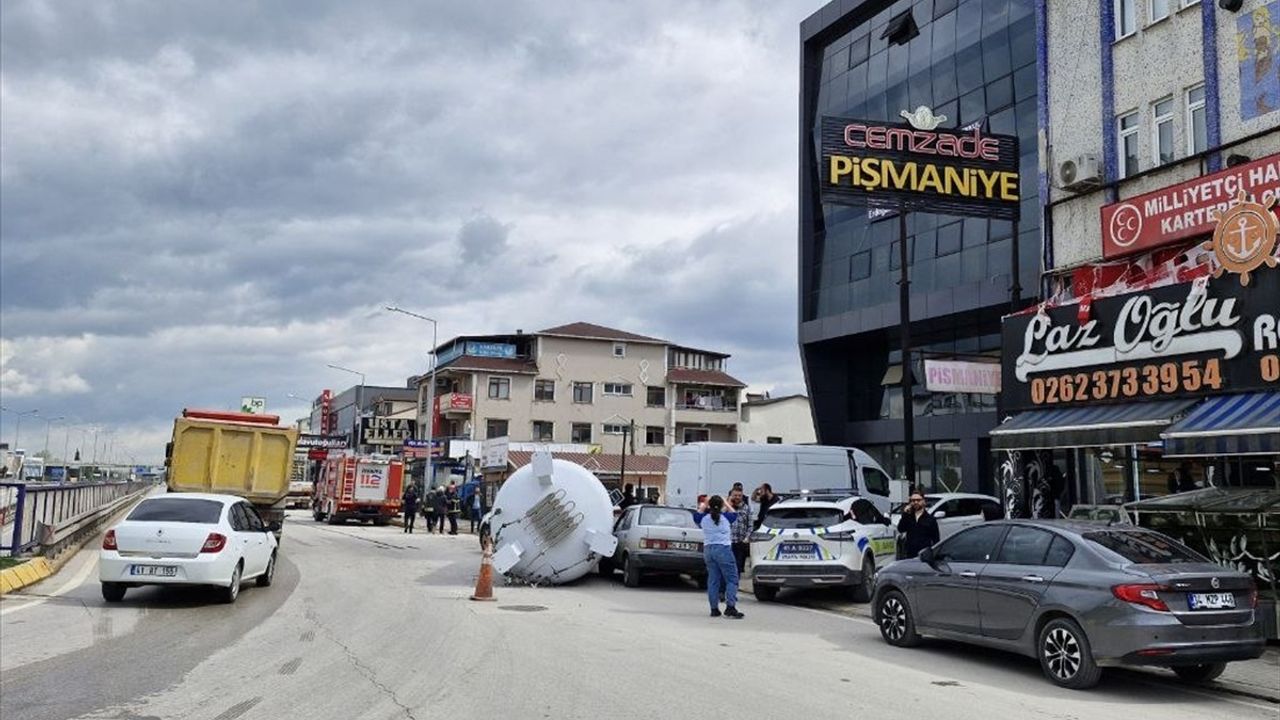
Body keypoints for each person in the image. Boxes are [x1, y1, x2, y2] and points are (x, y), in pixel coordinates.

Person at [692, 496, 744, 619]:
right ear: (722, 506)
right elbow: (734, 512)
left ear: (709, 506)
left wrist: (705, 503)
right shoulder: (726, 518)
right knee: (732, 579)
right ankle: (730, 607)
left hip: (708, 550)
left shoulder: (703, 519)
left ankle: (714, 609)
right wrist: (725, 501)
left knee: (713, 580)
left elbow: (696, 514)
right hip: (723, 549)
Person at [897, 490, 940, 559]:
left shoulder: (930, 519)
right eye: (913, 500)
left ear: (923, 501)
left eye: (918, 500)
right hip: (910, 555)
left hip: (925, 555)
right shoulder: (908, 517)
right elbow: (900, 529)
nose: (916, 502)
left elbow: (936, 540)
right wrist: (905, 514)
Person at [727, 486, 752, 576]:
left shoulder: (746, 508)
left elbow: (750, 525)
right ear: (731, 495)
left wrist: (747, 537)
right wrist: (728, 503)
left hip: (740, 542)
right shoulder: (727, 508)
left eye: (739, 495)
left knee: (737, 567)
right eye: (735, 495)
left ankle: (734, 586)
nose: (737, 497)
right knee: (728, 566)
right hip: (728, 542)